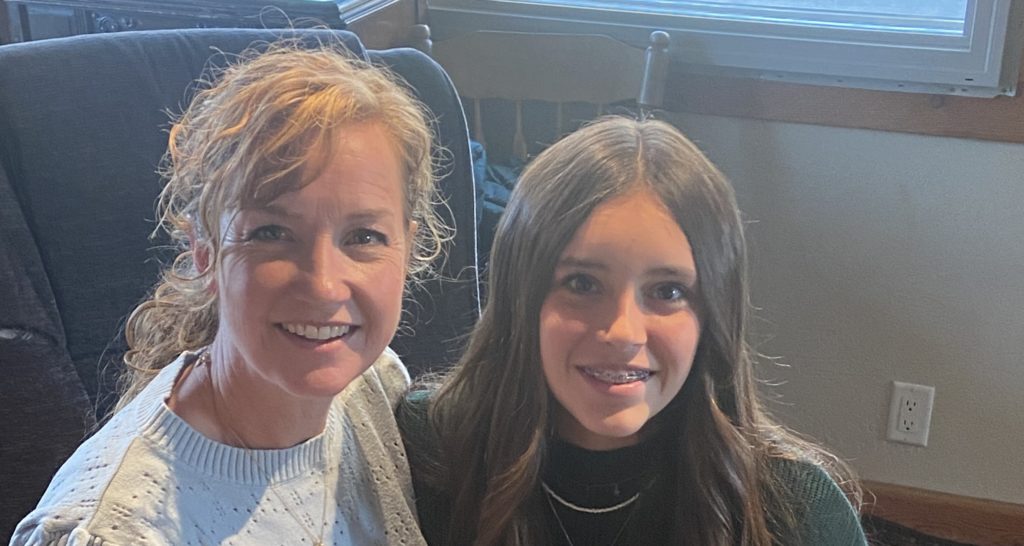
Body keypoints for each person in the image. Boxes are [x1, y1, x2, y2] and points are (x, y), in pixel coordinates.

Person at [11, 41, 445, 546]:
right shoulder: (114, 531)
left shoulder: (372, 384)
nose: (324, 285)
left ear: (408, 247)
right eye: (272, 233)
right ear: (204, 250)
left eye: (365, 236)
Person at [398, 116, 868, 546]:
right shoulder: (423, 451)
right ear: (520, 298)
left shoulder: (799, 513)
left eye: (668, 291)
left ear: (714, 315)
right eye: (582, 284)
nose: (623, 333)